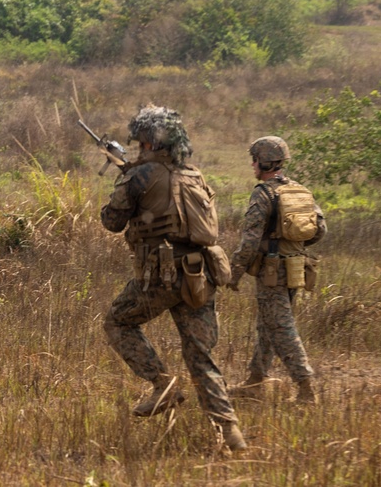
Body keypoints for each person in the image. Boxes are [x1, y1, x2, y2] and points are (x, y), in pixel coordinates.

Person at [100, 105, 246, 452]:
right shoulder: (194, 174)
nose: (136, 147)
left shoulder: (139, 176)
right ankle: (230, 432)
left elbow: (112, 221)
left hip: (160, 276)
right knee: (200, 356)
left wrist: (124, 177)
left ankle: (163, 385)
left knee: (117, 322)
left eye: (140, 142)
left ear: (149, 141)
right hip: (200, 276)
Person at [227, 136, 327, 404]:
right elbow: (320, 229)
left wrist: (235, 272)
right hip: (297, 267)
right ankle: (256, 379)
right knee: (267, 324)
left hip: (272, 271)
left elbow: (249, 240)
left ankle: (306, 388)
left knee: (282, 328)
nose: (252, 165)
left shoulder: (264, 193)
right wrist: (291, 244)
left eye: (254, 160)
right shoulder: (301, 191)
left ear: (262, 162)